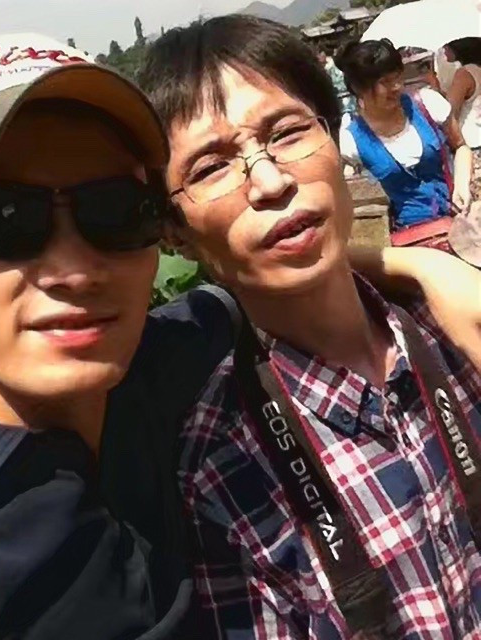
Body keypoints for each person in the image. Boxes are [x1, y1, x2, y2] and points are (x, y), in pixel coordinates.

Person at [0, 29, 481, 640]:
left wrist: (419, 266)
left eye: (115, 213)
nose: (74, 269)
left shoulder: (171, 357)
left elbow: (274, 268)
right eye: (0, 221)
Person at [139, 15, 481, 639]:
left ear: (333, 136)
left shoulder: (456, 328)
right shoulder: (223, 467)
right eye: (212, 168)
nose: (271, 182)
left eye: (289, 132)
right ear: (173, 232)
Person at [337, 39, 473, 248]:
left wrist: (461, 186)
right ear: (359, 88)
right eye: (385, 82)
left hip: (459, 223)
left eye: (398, 77)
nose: (397, 87)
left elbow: (460, 146)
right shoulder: (351, 140)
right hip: (409, 241)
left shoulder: (427, 103)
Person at [444, 37, 481, 202]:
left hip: (470, 147)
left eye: (447, 45)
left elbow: (449, 112)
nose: (444, 49)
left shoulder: (465, 74)